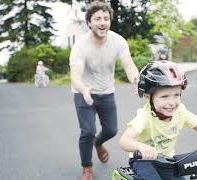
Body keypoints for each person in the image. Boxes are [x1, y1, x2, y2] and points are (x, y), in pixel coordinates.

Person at [119, 60, 197, 180]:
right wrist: (142, 147)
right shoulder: (144, 116)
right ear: (148, 97)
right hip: (143, 160)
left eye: (177, 95)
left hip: (168, 161)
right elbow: (124, 141)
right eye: (164, 96)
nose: (172, 102)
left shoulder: (180, 112)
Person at [69, 1, 139, 180]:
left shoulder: (118, 41)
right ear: (89, 22)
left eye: (106, 18)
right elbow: (75, 76)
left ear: (110, 21)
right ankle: (87, 167)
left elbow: (129, 65)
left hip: (107, 92)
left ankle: (98, 144)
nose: (102, 22)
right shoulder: (80, 46)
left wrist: (136, 80)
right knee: (88, 131)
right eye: (98, 18)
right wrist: (84, 89)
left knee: (111, 130)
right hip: (83, 93)